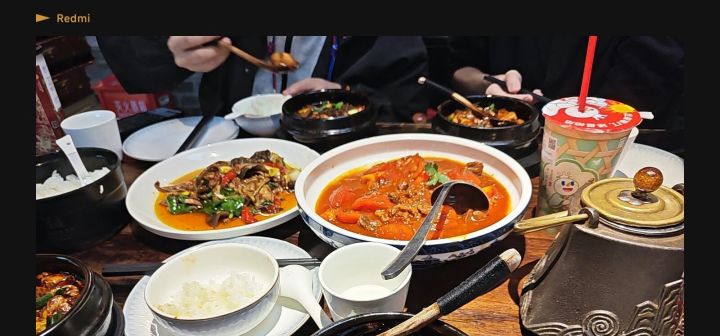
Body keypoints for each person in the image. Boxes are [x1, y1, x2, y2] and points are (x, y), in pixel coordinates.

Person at [96, 36, 429, 121]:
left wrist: (349, 96)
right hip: (230, 141)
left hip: (337, 153)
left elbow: (404, 99)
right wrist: (169, 45)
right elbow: (133, 48)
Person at [448, 36, 684, 129]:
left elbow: (643, 92)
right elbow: (459, 68)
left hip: (625, 152)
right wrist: (485, 85)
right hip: (506, 141)